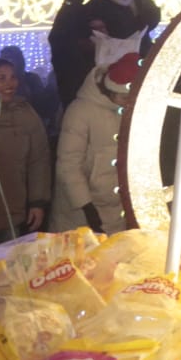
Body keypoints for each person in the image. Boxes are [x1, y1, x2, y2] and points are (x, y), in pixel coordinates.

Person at [48, 0, 160, 108]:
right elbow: (63, 30)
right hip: (111, 81)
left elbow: (151, 20)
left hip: (143, 71)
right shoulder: (96, 6)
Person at [51, 52, 139, 233]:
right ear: (110, 90)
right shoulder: (80, 111)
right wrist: (85, 205)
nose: (128, 103)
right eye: (124, 98)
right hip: (81, 211)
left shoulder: (133, 111)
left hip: (118, 207)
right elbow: (68, 164)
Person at [0, 57, 51, 245]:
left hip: (10, 211)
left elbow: (39, 160)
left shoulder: (25, 114)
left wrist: (37, 202)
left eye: (13, 77)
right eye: (1, 78)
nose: (9, 83)